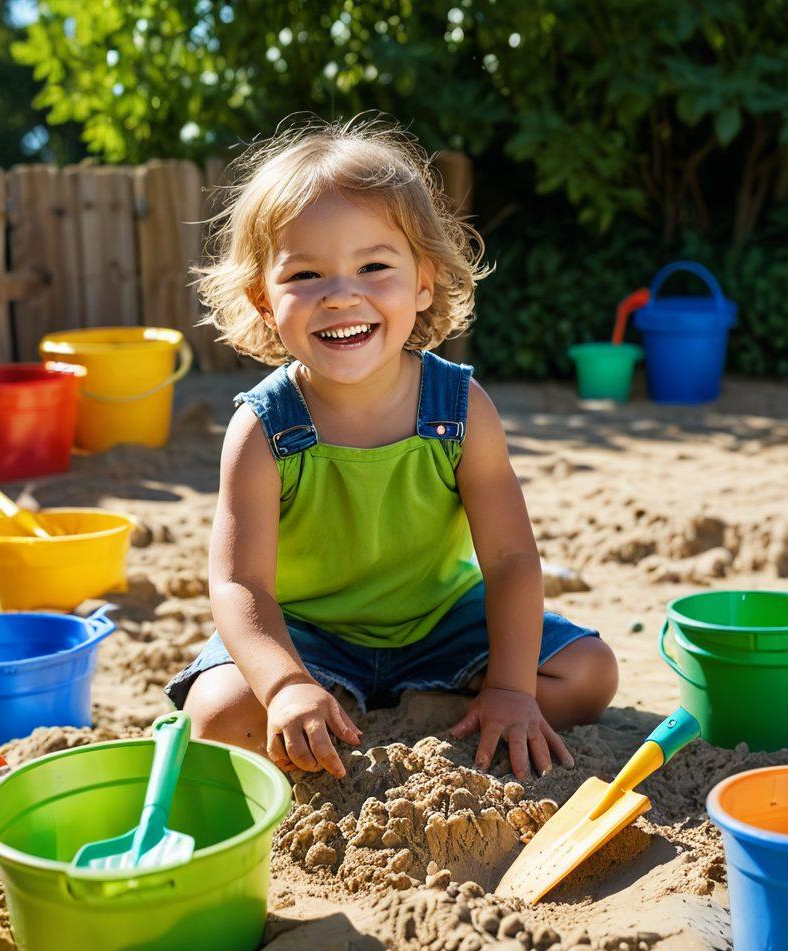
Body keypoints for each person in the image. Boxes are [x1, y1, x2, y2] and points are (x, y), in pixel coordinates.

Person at [165, 114, 618, 782]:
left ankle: (436, 703)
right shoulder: (263, 428)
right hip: (310, 635)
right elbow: (241, 585)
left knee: (587, 674)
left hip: (441, 622)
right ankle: (336, 701)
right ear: (265, 301)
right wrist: (286, 683)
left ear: (424, 281)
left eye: (374, 266)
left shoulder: (461, 409)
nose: (342, 294)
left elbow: (513, 560)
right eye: (306, 275)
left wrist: (513, 691)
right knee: (218, 715)